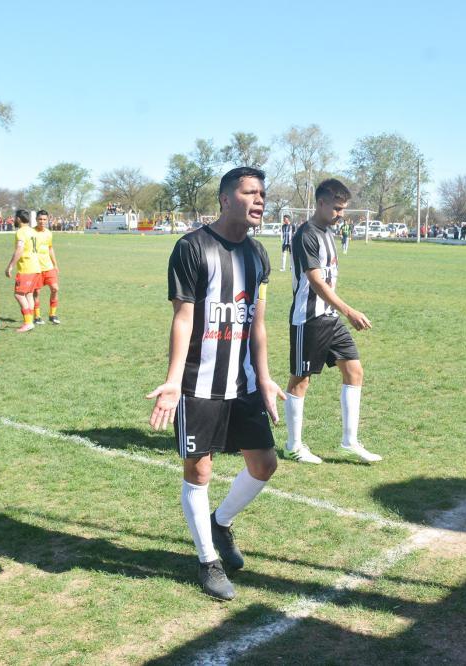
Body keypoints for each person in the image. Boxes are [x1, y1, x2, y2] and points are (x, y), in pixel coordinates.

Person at [148, 166, 284, 601]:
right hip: (198, 383)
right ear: (226, 199)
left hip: (242, 384)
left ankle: (220, 523)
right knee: (200, 469)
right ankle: (208, 561)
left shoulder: (258, 255)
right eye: (250, 192)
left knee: (264, 464)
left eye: (262, 193)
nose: (259, 200)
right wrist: (173, 382)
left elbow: (257, 324)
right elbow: (183, 317)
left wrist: (263, 378)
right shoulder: (192, 248)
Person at [283, 179, 382, 464]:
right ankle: (293, 445)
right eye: (337, 208)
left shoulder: (328, 233)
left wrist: (340, 312)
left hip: (330, 318)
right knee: (301, 380)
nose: (341, 214)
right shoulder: (306, 235)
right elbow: (315, 281)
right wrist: (349, 311)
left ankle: (349, 442)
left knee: (354, 370)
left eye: (343, 209)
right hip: (309, 319)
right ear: (321, 203)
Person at [4, 209, 38, 333]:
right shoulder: (33, 231)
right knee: (28, 294)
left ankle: (28, 322)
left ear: (18, 219)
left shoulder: (21, 232)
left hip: (26, 268)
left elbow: (20, 249)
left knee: (19, 294)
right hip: (35, 267)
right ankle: (30, 321)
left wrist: (10, 266)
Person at [31, 210, 62, 325]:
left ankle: (52, 315)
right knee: (36, 293)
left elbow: (50, 248)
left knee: (55, 289)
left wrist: (55, 264)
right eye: (40, 219)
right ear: (36, 220)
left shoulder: (49, 233)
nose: (42, 221)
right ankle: (37, 316)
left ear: (47, 220)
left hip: (48, 267)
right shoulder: (31, 233)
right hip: (35, 267)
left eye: (44, 219)